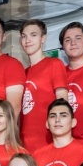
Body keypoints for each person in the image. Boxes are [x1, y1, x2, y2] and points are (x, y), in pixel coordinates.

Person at [19, 19, 67, 153]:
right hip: (24, 142)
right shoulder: (23, 72)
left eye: (33, 35)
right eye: (24, 36)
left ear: (43, 38)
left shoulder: (54, 64)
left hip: (47, 140)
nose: (27, 40)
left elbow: (63, 103)